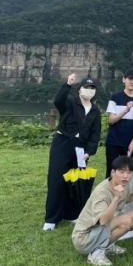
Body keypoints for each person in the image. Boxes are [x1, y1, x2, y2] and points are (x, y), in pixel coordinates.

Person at [44, 73, 101, 231]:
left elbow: (95, 134)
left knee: (76, 182)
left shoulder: (95, 111)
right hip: (63, 143)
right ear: (79, 90)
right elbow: (58, 101)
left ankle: (72, 214)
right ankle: (51, 218)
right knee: (57, 180)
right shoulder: (70, 103)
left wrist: (89, 152)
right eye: (86, 87)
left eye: (92, 88)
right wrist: (68, 84)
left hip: (81, 149)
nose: (89, 90)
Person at [72, 156, 133, 266]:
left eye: (129, 173)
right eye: (122, 172)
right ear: (112, 172)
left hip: (98, 231)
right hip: (84, 238)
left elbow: (125, 199)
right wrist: (116, 198)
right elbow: (103, 220)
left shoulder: (123, 185)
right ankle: (96, 253)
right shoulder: (102, 192)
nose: (126, 176)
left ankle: (106, 246)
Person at [105, 69, 133, 178]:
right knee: (112, 170)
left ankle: (123, 189)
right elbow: (111, 121)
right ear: (124, 80)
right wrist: (125, 110)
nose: (132, 82)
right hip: (113, 141)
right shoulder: (115, 97)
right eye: (130, 79)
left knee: (126, 171)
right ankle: (109, 189)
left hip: (129, 142)